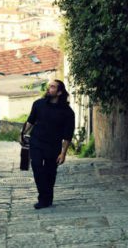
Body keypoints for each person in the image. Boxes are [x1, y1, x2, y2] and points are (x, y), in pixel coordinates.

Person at [22, 79, 75, 209]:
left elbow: (68, 135)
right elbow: (30, 121)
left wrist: (63, 153)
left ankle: (47, 198)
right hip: (36, 142)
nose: (49, 88)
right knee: (37, 167)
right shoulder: (38, 104)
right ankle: (43, 198)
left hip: (53, 145)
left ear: (59, 92)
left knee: (50, 172)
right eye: (49, 86)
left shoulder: (67, 112)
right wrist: (22, 134)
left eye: (52, 87)